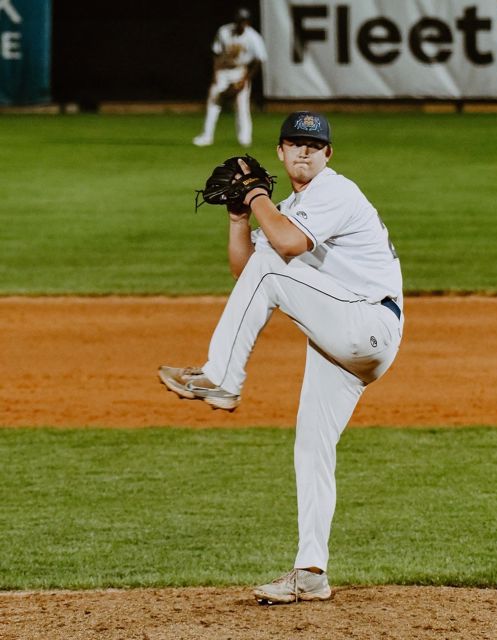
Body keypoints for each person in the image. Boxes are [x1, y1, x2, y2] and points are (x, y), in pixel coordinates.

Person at [160, 111, 403, 604]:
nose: (304, 151)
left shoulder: (335, 191)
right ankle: (311, 572)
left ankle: (221, 378)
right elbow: (245, 271)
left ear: (328, 154)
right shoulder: (290, 207)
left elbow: (284, 248)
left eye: (313, 144)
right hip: (341, 338)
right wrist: (238, 217)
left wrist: (255, 195)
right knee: (312, 448)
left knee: (273, 266)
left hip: (368, 324)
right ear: (280, 151)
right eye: (294, 143)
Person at [193, 7, 267, 148]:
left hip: (240, 71)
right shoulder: (224, 31)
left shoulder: (253, 37)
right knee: (213, 101)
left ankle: (244, 138)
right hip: (223, 71)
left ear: (248, 22)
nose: (241, 23)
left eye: (244, 21)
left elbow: (259, 60)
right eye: (239, 20)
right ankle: (206, 136)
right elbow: (216, 54)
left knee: (242, 105)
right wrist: (215, 74)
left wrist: (245, 79)